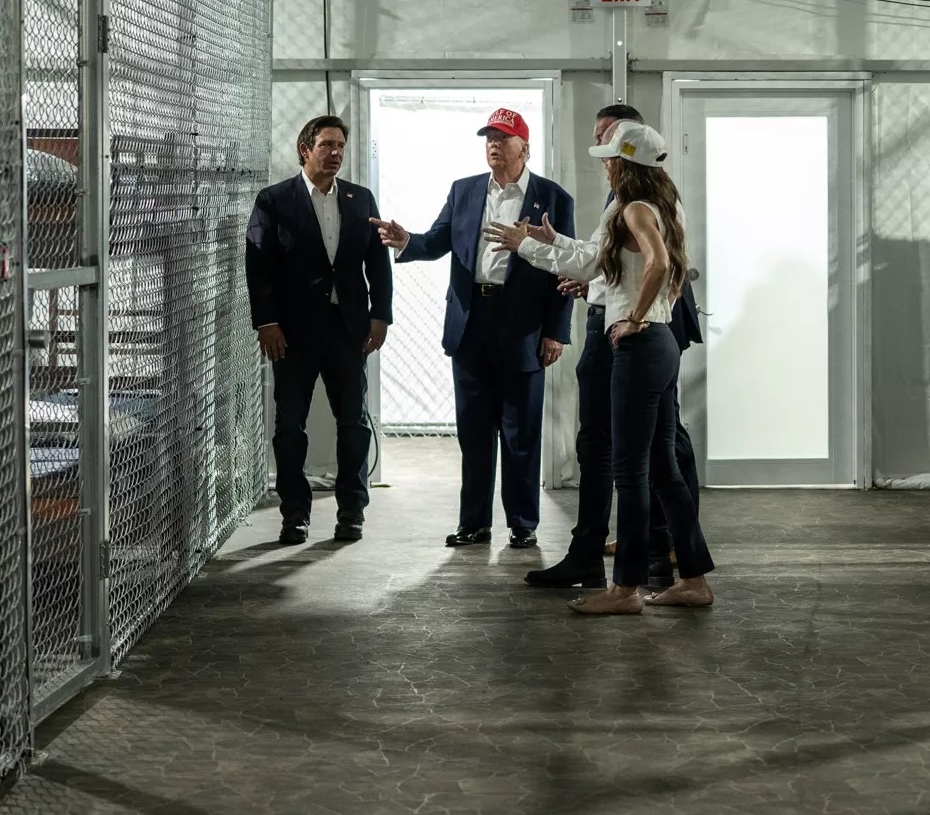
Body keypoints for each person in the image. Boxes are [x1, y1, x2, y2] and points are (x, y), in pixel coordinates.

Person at [498, 121, 714, 615]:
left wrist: (634, 317)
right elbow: (593, 261)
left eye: (610, 157)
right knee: (662, 470)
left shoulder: (633, 207)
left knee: (630, 472)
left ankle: (625, 591)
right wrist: (549, 240)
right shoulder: (647, 206)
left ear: (626, 164)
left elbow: (654, 263)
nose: (604, 164)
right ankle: (695, 580)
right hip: (660, 346)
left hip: (640, 347)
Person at [373, 107, 576, 551]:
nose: (493, 146)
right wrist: (406, 240)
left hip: (523, 327)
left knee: (521, 433)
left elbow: (564, 270)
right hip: (471, 324)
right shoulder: (464, 191)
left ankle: (523, 523)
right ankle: (474, 523)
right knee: (474, 431)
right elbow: (437, 240)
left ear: (525, 147)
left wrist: (556, 332)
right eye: (489, 138)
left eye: (503, 139)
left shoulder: (553, 198)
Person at [244, 113, 392, 544]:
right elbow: (259, 266)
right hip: (291, 333)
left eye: (341, 146)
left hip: (348, 330)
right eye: (327, 145)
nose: (336, 153)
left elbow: (377, 263)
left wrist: (380, 315)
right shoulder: (274, 200)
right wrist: (266, 323)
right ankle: (295, 514)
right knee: (290, 426)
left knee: (354, 424)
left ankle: (352, 512)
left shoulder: (360, 199)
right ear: (305, 150)